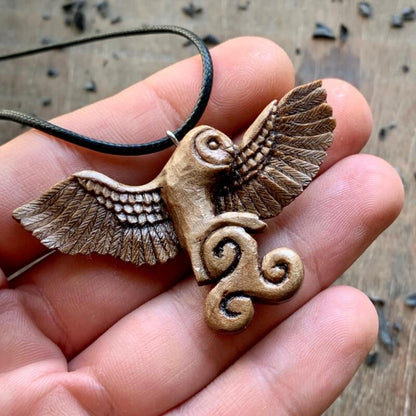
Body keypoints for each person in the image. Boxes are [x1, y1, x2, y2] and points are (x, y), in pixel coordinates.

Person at [0, 37, 404, 415]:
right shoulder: (141, 199)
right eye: (214, 147)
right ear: (191, 154)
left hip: (224, 245)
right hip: (208, 253)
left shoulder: (227, 177)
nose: (227, 157)